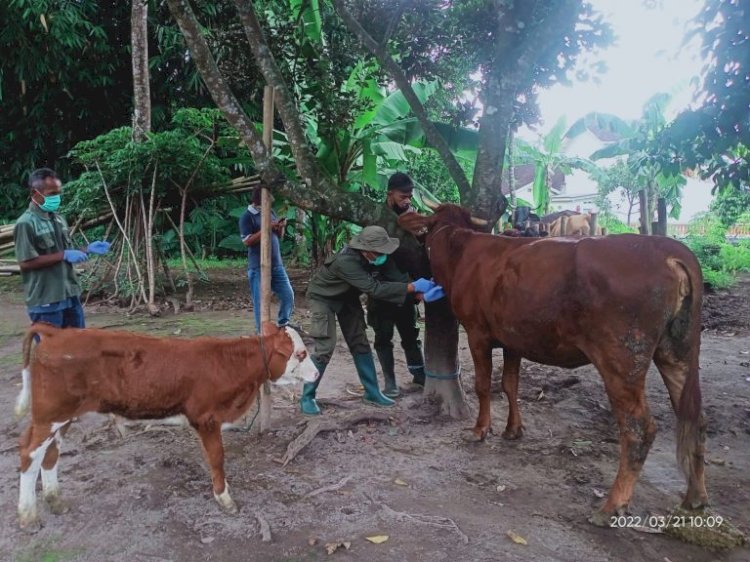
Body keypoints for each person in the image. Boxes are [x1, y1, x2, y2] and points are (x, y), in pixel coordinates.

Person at [300, 226, 436, 415]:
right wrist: (412, 287)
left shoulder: (374, 258)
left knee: (360, 342)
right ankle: (307, 397)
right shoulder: (346, 262)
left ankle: (372, 393)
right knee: (325, 347)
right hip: (323, 298)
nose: (384, 255)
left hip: (347, 298)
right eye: (379, 252)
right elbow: (375, 289)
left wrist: (418, 291)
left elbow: (393, 277)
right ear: (366, 250)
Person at [14, 168, 110, 328]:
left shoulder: (58, 219)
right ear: (35, 192)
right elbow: (25, 262)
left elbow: (64, 251)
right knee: (50, 352)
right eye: (52, 193)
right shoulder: (26, 223)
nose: (57, 198)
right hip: (46, 299)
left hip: (70, 295)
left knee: (77, 347)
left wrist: (87, 249)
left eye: (58, 193)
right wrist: (64, 255)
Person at [368, 172, 428, 397]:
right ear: (390, 194)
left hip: (406, 289)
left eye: (410, 196)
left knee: (410, 334)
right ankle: (390, 383)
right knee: (383, 338)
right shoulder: (377, 217)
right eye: (403, 196)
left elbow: (419, 253)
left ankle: (419, 375)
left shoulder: (411, 217)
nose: (407, 200)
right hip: (382, 290)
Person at [239, 187, 294, 333]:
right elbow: (247, 241)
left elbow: (278, 236)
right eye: (270, 197)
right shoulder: (247, 216)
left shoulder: (270, 212)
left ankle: (283, 324)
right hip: (258, 267)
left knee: (288, 295)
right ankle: (261, 332)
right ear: (260, 199)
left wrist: (280, 227)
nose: (273, 200)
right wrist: (267, 227)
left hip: (277, 265)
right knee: (260, 302)